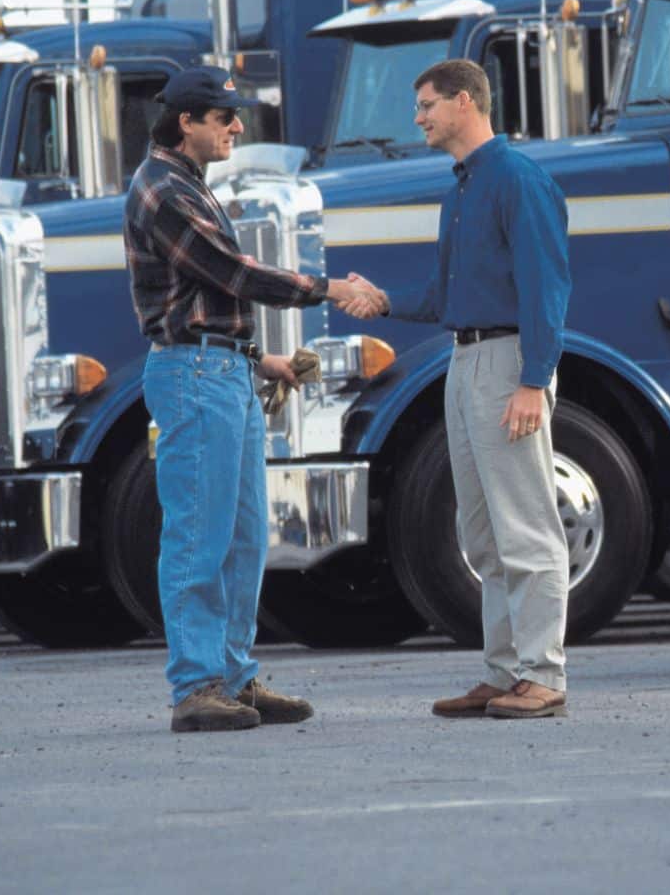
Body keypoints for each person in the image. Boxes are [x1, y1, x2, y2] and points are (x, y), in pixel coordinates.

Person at [124, 66, 379, 732]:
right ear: (187, 121)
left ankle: (232, 675)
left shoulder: (184, 184)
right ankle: (196, 686)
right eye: (224, 117)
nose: (237, 127)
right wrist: (329, 289)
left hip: (220, 371)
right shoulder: (162, 191)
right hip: (196, 377)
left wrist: (256, 357)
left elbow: (204, 298)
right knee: (198, 536)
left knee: (241, 536)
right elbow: (232, 274)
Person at [344, 58, 572, 719]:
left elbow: (547, 289)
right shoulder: (462, 190)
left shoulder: (517, 180)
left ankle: (544, 676)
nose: (418, 118)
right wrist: (381, 300)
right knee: (483, 535)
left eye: (426, 105)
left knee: (526, 528)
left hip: (507, 364)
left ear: (466, 102)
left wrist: (533, 381)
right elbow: (446, 295)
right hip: (465, 361)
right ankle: (506, 673)